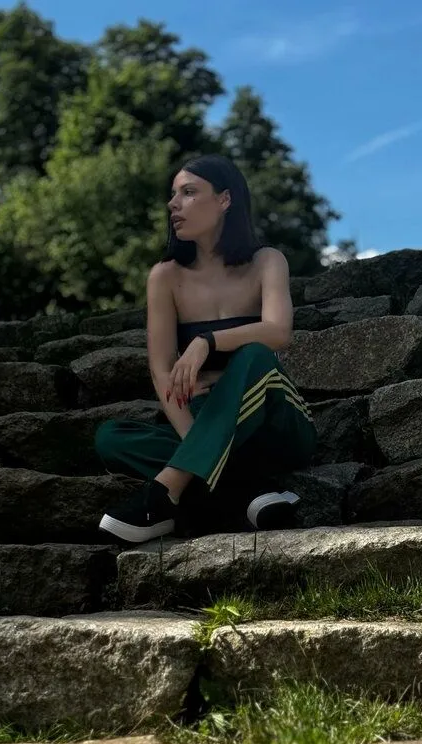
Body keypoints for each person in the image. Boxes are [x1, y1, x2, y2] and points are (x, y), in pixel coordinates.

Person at [95, 153, 317, 544]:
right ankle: (247, 491)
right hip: (208, 422)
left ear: (225, 199)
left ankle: (164, 494)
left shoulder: (267, 261)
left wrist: (206, 342)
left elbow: (278, 332)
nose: (173, 204)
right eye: (173, 195)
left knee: (254, 354)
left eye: (188, 192)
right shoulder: (165, 277)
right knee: (110, 437)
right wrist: (196, 442)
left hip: (275, 422)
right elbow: (162, 371)